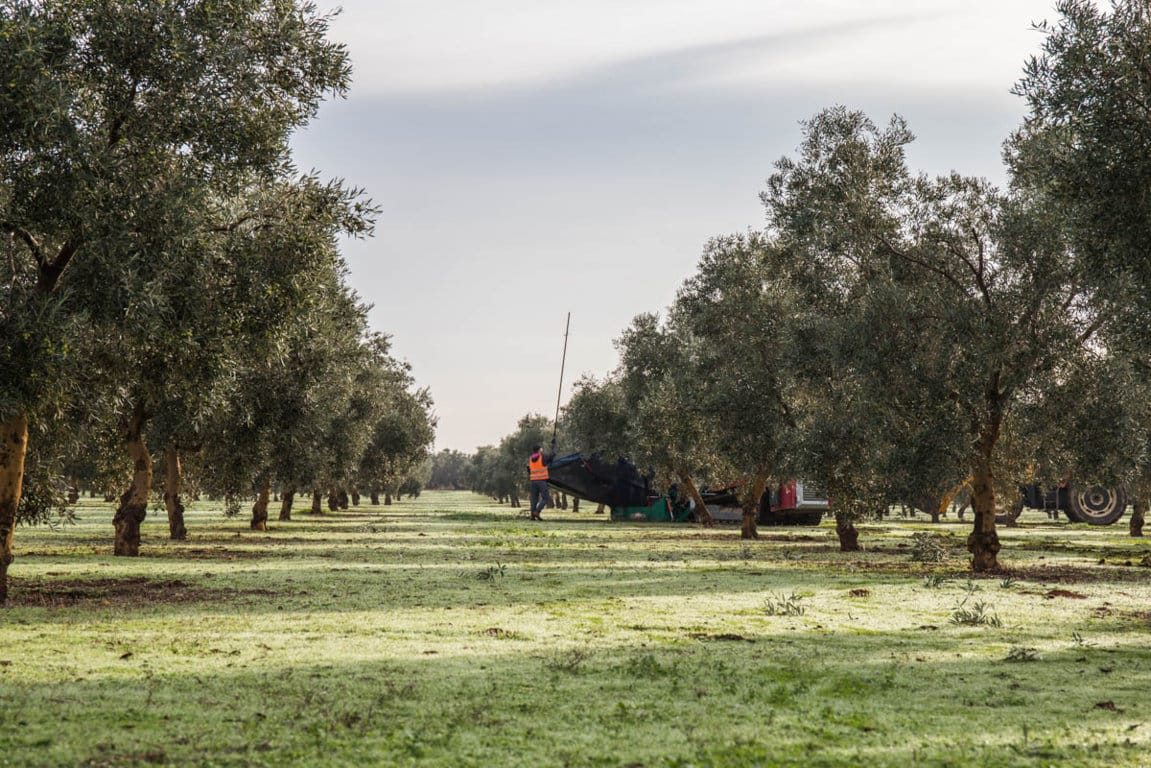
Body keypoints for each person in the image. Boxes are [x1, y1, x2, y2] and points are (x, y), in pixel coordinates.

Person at [528, 443, 554, 520]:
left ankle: (532, 516)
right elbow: (552, 456)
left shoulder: (531, 458)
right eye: (541, 449)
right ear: (539, 450)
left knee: (534, 499)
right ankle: (537, 511)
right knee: (546, 498)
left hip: (533, 481)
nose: (542, 450)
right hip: (541, 481)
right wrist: (553, 446)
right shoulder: (542, 457)